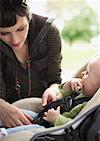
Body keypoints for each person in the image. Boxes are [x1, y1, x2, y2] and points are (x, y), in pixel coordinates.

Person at [0, 55, 100, 135]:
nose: (82, 74)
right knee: (22, 114)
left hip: (50, 129)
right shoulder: (82, 92)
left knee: (32, 130)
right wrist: (69, 85)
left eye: (87, 73)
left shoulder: (89, 107)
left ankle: (4, 134)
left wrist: (56, 119)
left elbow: (77, 127)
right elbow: (62, 93)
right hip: (42, 116)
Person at [0, 0, 62, 128]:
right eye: (4, 33)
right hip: (8, 113)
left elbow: (55, 80)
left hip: (43, 109)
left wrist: (52, 89)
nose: (15, 40)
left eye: (20, 29)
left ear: (29, 18)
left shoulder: (50, 32)